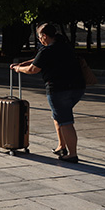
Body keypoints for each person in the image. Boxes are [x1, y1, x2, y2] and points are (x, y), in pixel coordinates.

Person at [11, 23, 85, 163]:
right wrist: (22, 63)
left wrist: (18, 69)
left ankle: (72, 154)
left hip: (59, 89)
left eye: (39, 37)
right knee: (59, 116)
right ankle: (61, 146)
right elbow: (38, 60)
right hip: (78, 87)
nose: (39, 40)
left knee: (65, 121)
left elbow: (34, 69)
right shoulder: (64, 46)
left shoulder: (47, 50)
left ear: (44, 36)